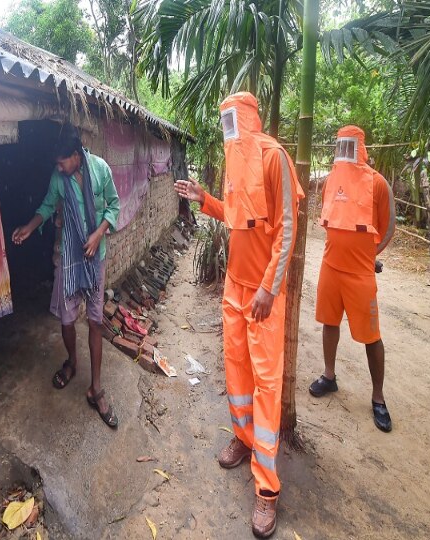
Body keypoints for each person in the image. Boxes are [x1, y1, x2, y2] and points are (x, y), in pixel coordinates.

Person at [175, 92, 304, 538]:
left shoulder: (274, 157)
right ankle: (242, 437)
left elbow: (288, 227)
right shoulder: (233, 158)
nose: (227, 126)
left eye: (232, 118)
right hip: (234, 286)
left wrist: (269, 286)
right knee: (236, 369)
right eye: (223, 118)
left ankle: (266, 490)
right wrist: (204, 198)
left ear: (248, 116)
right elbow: (234, 215)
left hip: (266, 294)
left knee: (267, 384)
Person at [12, 124, 120, 428]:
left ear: (76, 156)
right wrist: (30, 227)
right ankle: (72, 363)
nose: (58, 168)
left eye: (63, 162)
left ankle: (96, 388)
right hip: (68, 258)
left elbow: (114, 205)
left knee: (96, 320)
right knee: (67, 319)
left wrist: (99, 233)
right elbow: (47, 207)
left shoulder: (100, 170)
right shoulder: (59, 179)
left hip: (94, 257)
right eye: (57, 164)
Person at [308, 125, 396, 432]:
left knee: (371, 335)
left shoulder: (378, 184)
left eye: (349, 145)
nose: (343, 150)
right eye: (340, 145)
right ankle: (329, 376)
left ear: (360, 146)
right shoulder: (331, 180)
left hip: (360, 274)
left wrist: (371, 257)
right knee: (329, 322)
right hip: (330, 267)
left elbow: (388, 228)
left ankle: (378, 397)